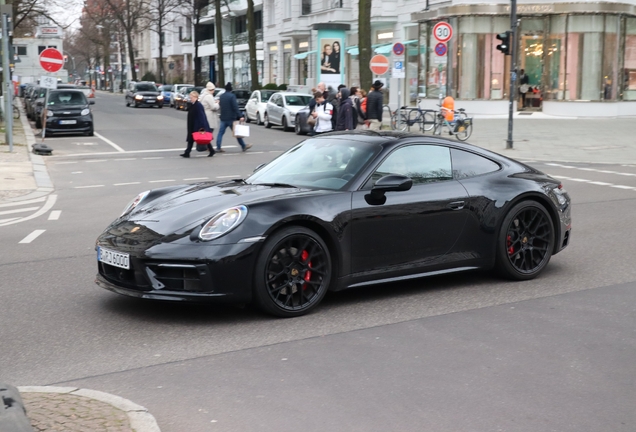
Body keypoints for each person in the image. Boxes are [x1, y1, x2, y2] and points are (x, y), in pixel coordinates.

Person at [216, 82, 252, 152]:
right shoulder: (232, 96)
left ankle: (218, 147)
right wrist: (240, 116)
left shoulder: (221, 96)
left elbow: (221, 107)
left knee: (220, 133)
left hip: (223, 118)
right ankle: (243, 146)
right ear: (231, 89)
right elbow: (235, 107)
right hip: (231, 118)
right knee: (237, 133)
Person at [181, 91, 214, 158]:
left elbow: (202, 116)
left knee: (202, 138)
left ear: (196, 97)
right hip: (193, 124)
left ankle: (211, 150)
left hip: (197, 125)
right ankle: (187, 152)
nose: (191, 98)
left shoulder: (198, 105)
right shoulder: (193, 104)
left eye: (192, 97)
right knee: (192, 139)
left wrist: (202, 126)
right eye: (190, 97)